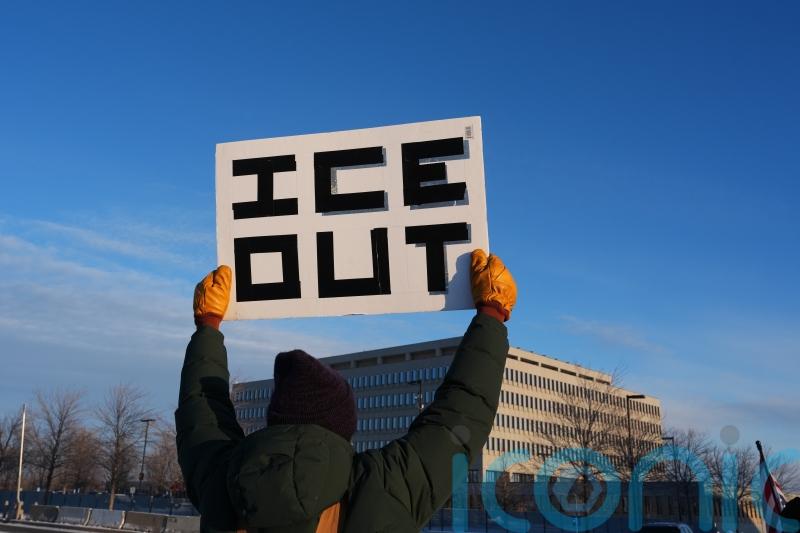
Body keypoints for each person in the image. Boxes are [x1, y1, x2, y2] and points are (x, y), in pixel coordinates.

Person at [175, 249, 517, 533]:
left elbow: (201, 412)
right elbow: (460, 415)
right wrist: (491, 315)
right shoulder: (385, 488)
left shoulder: (223, 481)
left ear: (275, 416)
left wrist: (208, 325)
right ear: (343, 427)